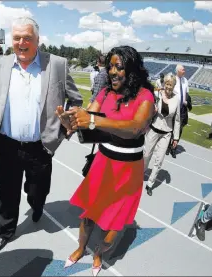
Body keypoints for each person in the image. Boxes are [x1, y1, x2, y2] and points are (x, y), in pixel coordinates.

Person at [0, 16, 83, 252]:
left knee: (38, 191)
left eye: (27, 38)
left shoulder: (57, 64)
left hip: (41, 146)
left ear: (37, 40)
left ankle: (36, 204)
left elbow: (76, 100)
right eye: (17, 38)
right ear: (11, 40)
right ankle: (6, 231)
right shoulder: (0, 65)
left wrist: (65, 129)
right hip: (8, 144)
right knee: (7, 192)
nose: (21, 42)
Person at [57, 45, 155, 276]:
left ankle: (99, 253)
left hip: (129, 171)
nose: (112, 71)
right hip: (103, 164)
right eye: (110, 66)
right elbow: (87, 123)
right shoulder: (105, 93)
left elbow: (135, 128)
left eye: (118, 67)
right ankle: (81, 248)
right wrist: (70, 123)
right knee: (88, 217)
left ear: (131, 70)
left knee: (113, 229)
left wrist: (93, 120)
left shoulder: (145, 96)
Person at [143, 73, 180, 196]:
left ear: (174, 86)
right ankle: (140, 175)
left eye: (171, 85)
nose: (169, 87)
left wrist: (176, 137)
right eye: (167, 84)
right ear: (164, 84)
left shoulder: (177, 99)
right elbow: (147, 107)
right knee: (147, 154)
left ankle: (150, 184)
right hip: (154, 128)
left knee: (159, 160)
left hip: (166, 133)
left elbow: (177, 119)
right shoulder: (157, 94)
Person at [168, 64, 192, 158]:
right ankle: (167, 146)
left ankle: (174, 148)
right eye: (183, 69)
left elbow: (186, 93)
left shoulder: (185, 80)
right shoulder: (172, 79)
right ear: (178, 71)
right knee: (171, 127)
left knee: (180, 128)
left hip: (182, 108)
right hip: (173, 107)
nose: (184, 71)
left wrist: (186, 102)